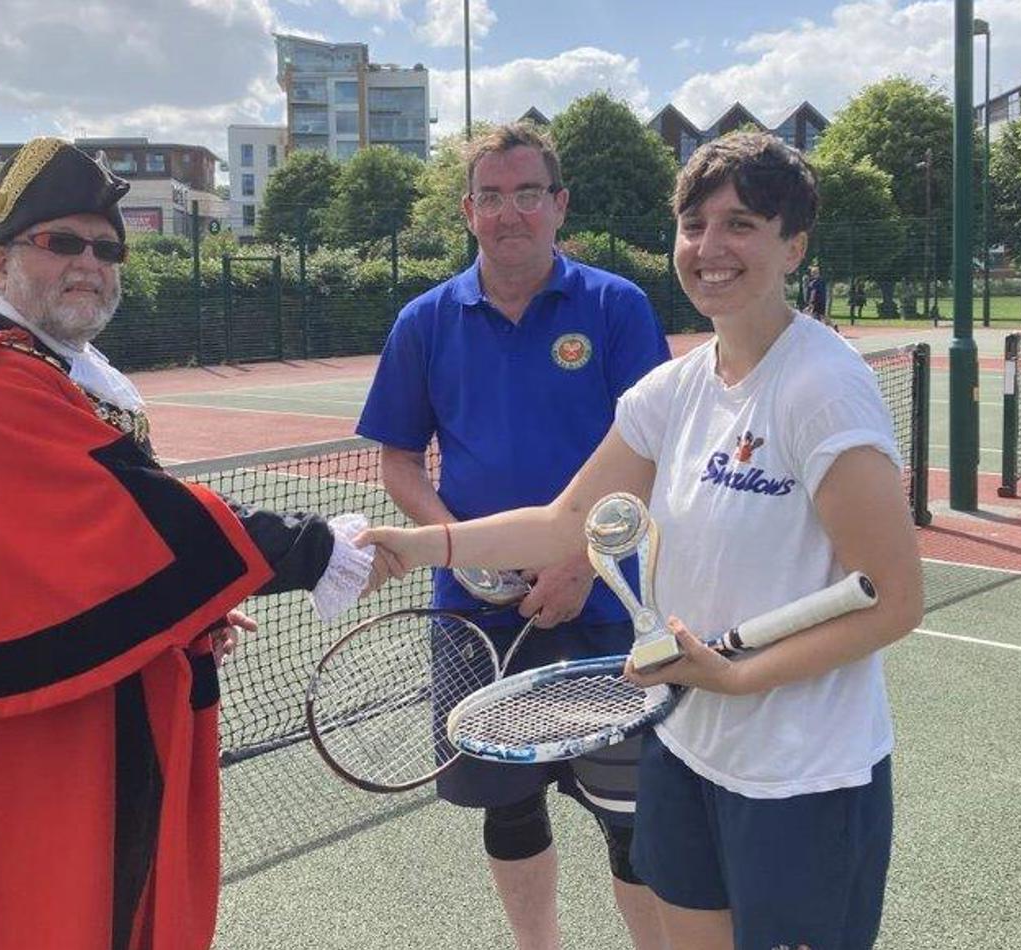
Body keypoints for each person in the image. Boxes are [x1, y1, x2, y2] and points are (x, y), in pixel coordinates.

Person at [361, 132, 924, 950]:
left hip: (802, 772)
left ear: (793, 244)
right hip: (688, 746)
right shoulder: (679, 388)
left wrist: (738, 676)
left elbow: (895, 601)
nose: (710, 247)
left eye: (740, 225)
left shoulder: (825, 389)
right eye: (694, 224)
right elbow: (567, 521)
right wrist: (416, 548)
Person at [0, 137, 381, 950]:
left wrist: (183, 608)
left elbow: (86, 563)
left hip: (73, 717)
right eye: (61, 242)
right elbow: (138, 515)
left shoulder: (56, 374)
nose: (89, 262)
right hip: (10, 749)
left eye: (106, 248)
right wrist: (311, 548)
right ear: (0, 262)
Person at [354, 121, 671, 950]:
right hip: (473, 615)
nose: (509, 212)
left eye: (527, 193)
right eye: (490, 196)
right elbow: (399, 464)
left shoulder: (616, 307)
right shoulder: (424, 321)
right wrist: (466, 550)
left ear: (559, 205)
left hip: (608, 606)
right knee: (507, 804)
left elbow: (653, 455)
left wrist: (577, 564)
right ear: (467, 211)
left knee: (631, 815)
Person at [804, 261, 831, 326]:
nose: (811, 274)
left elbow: (813, 292)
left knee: (812, 314)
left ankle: (815, 327)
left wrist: (811, 302)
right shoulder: (822, 281)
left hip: (816, 301)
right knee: (822, 315)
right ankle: (833, 325)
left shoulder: (814, 283)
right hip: (822, 301)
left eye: (812, 273)